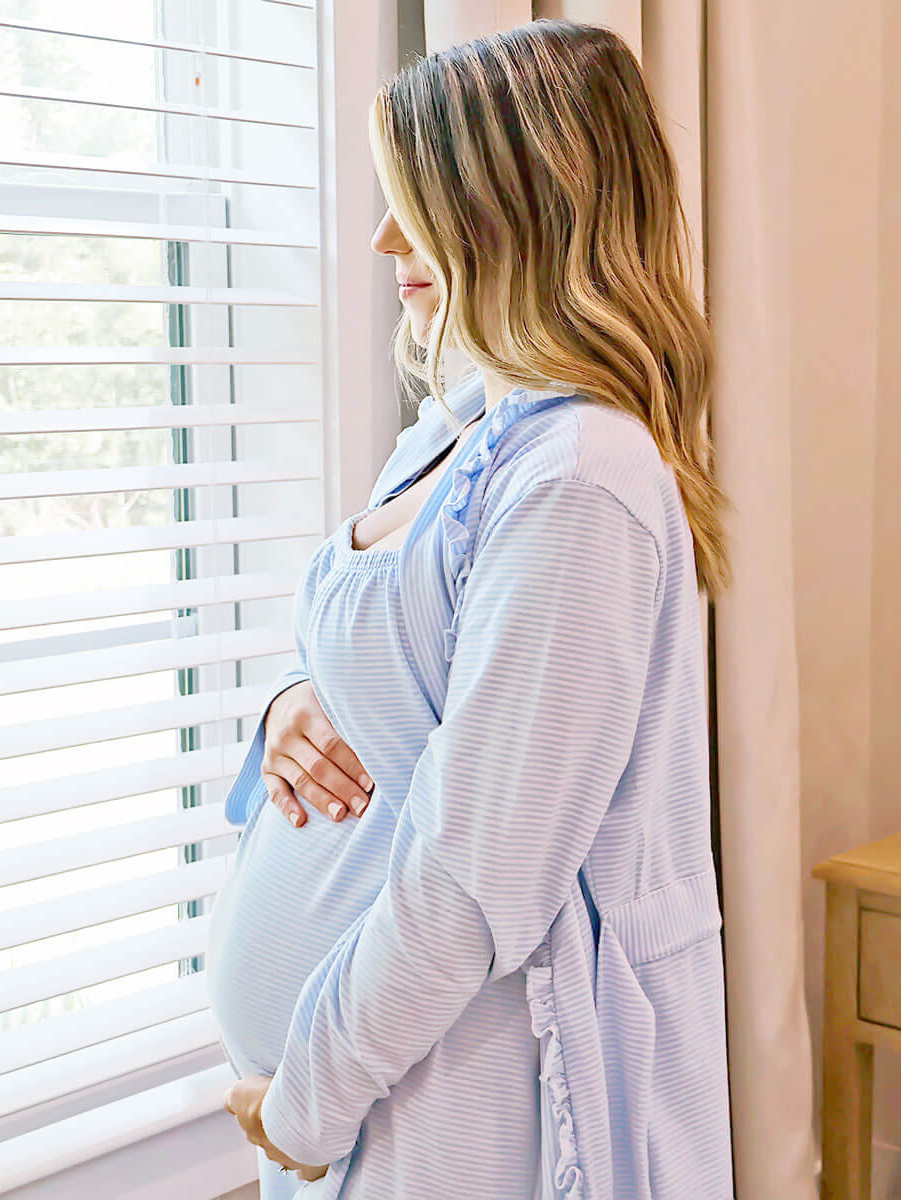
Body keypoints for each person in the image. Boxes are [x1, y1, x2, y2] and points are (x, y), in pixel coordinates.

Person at [206, 18, 735, 1199]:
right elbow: (412, 690)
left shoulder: (582, 476)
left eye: (424, 204)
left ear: (530, 203)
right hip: (384, 1082)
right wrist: (299, 703)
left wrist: (307, 1102)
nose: (389, 238)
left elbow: (475, 874)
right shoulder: (459, 431)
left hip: (466, 1091)